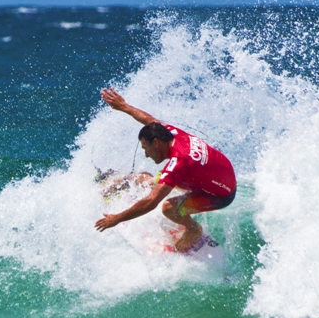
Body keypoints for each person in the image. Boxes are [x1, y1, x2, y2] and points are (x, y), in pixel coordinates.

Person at [94, 88, 236, 252]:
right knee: (150, 180)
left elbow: (151, 203)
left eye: (145, 148)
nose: (146, 155)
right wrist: (124, 106)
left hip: (220, 194)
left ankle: (192, 228)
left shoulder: (178, 163)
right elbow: (151, 120)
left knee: (168, 208)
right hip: (214, 174)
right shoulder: (173, 134)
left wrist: (116, 219)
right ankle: (125, 181)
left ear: (156, 143)